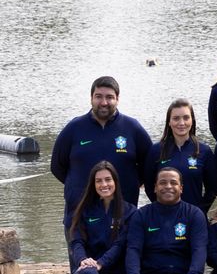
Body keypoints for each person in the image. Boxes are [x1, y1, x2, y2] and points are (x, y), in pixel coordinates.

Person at [53, 76, 151, 213]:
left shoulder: (132, 128)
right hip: (80, 213)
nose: (104, 102)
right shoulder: (74, 128)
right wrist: (78, 186)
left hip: (122, 213)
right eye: (98, 96)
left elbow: (149, 165)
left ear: (117, 99)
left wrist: (131, 184)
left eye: (109, 97)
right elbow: (57, 167)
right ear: (91, 98)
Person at [144, 99, 217, 213]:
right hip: (163, 216)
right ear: (169, 122)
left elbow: (212, 188)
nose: (181, 123)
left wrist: (199, 211)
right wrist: (160, 207)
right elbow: (149, 186)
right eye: (176, 118)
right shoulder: (156, 150)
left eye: (186, 117)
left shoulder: (204, 151)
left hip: (193, 218)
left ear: (192, 120)